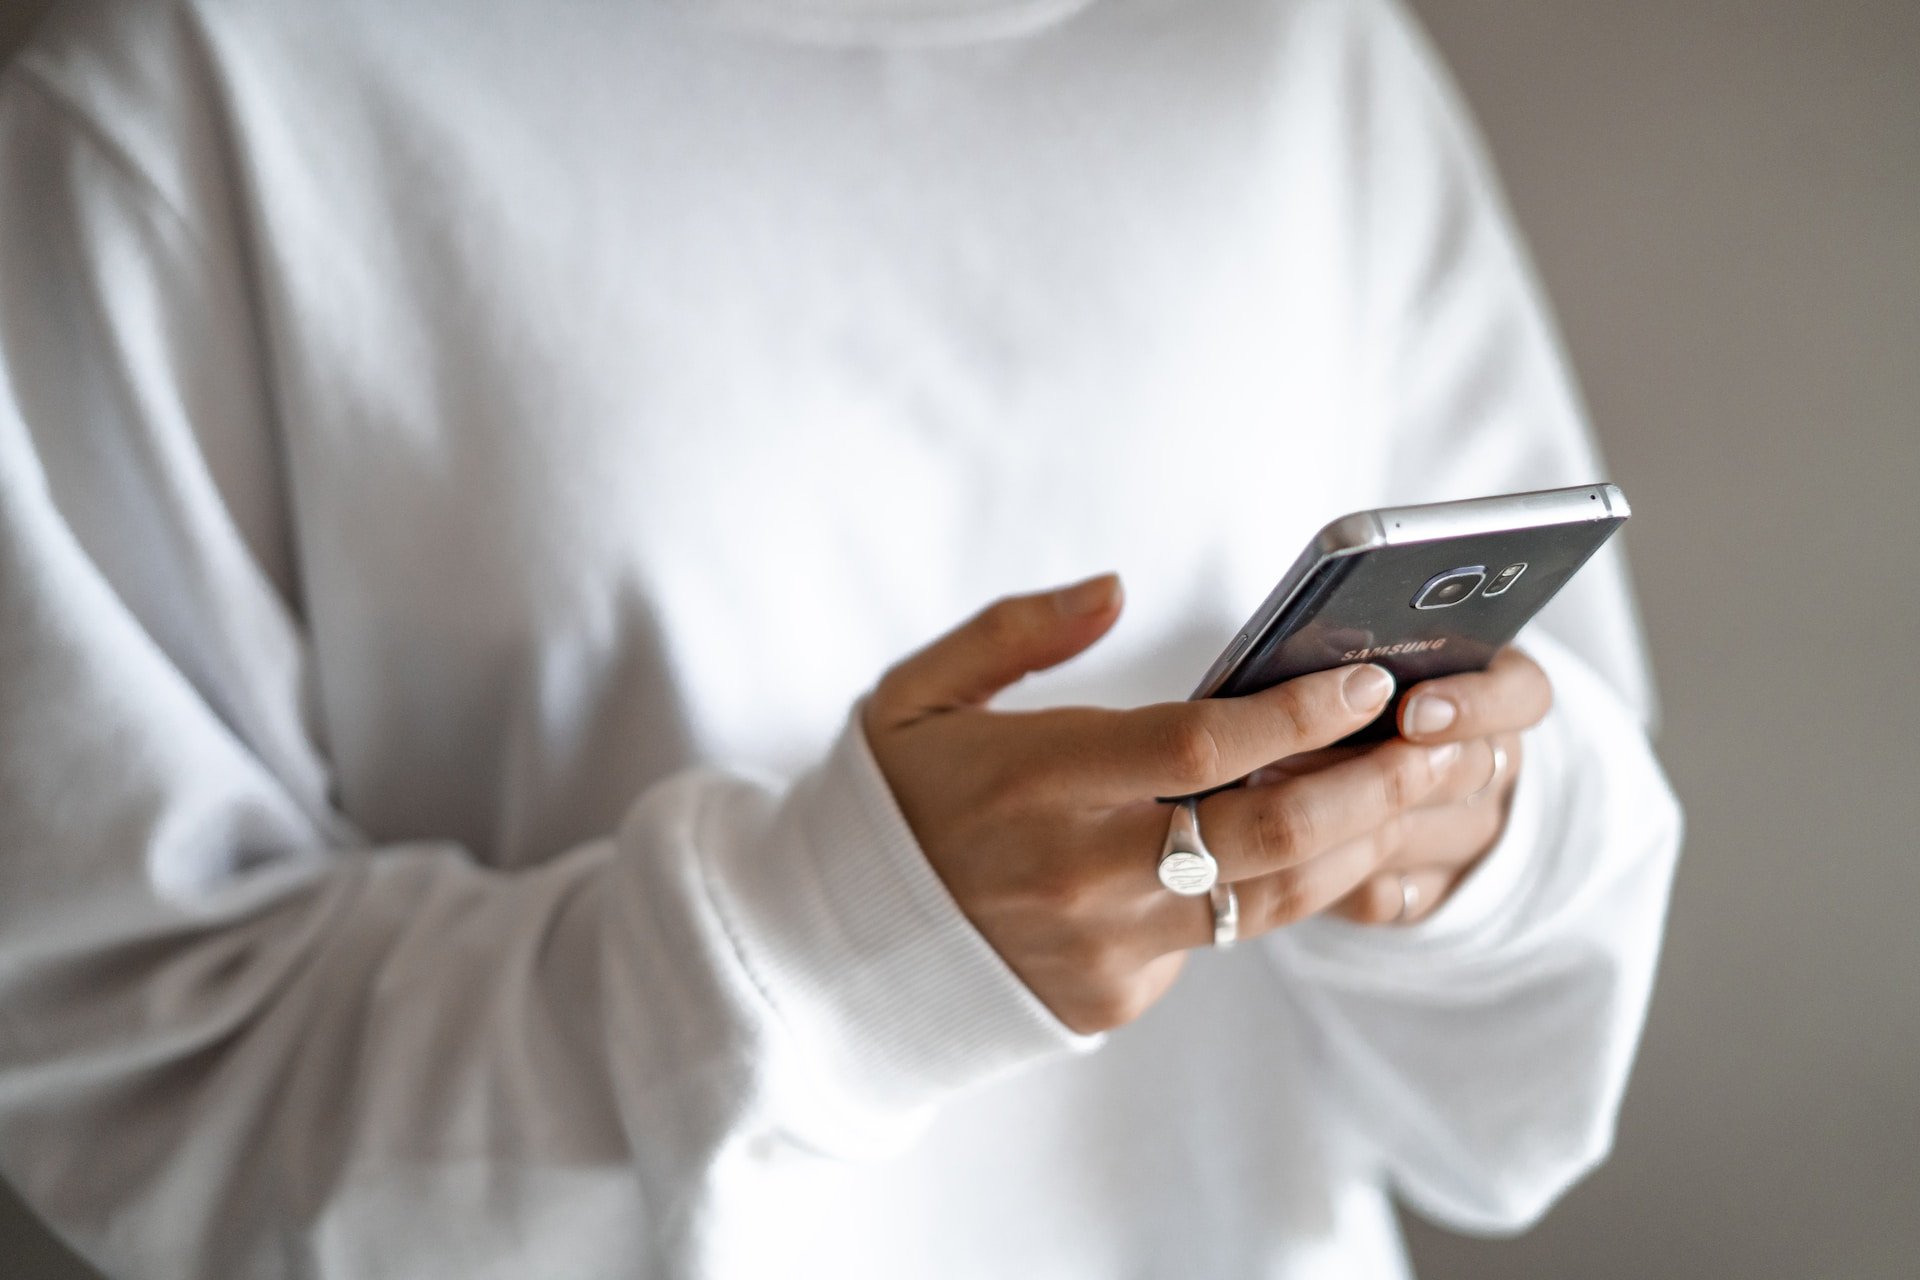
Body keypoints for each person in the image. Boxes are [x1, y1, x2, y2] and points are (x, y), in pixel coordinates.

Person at [0, 0, 1681, 1275]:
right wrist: (831, 948)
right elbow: (121, 1069)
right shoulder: (190, 90)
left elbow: (1524, 1101)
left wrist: (1459, 850)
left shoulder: (1299, 57)